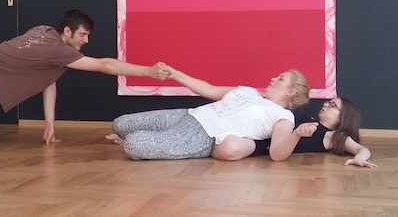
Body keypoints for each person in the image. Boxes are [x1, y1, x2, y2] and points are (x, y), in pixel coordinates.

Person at [0, 9, 169, 146]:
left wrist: (49, 124)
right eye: (83, 34)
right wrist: (147, 71)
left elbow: (47, 80)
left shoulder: (44, 31)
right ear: (67, 31)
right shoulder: (57, 49)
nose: (86, 40)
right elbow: (104, 66)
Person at [106, 66, 312, 161]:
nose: (273, 78)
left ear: (290, 92)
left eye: (281, 78)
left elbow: (276, 154)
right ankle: (131, 136)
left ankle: (137, 140)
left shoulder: (284, 117)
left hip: (203, 135)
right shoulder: (248, 91)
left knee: (133, 144)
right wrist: (175, 74)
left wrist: (296, 134)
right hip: (189, 114)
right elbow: (208, 89)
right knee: (121, 124)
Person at [211, 97, 377, 168]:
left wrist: (359, 159)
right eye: (328, 102)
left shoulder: (332, 136)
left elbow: (362, 149)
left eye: (333, 105)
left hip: (261, 145)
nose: (326, 104)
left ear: (341, 118)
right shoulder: (307, 117)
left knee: (228, 148)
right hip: (256, 128)